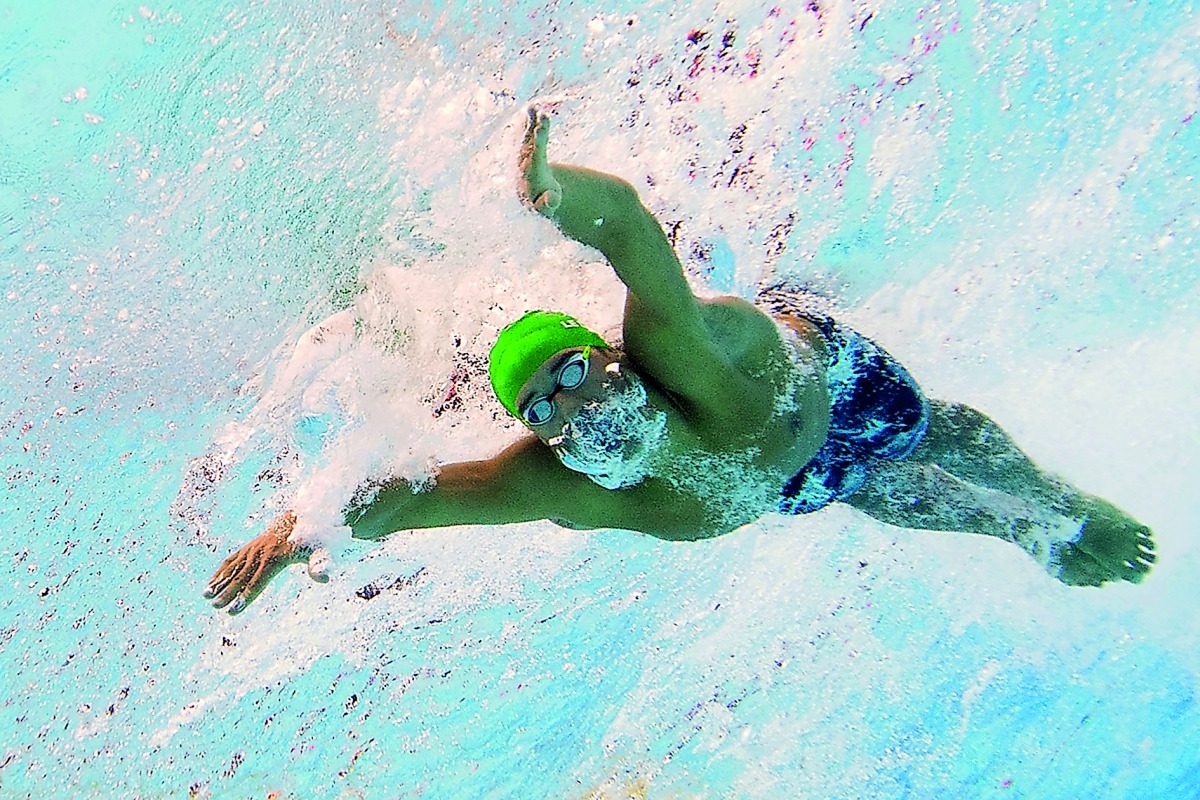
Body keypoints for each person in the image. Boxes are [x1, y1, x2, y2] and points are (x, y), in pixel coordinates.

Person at [205, 108, 1156, 614]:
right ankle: (1020, 534)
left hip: (824, 390)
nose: (569, 405)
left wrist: (547, 191)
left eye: (570, 370)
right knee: (881, 494)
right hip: (789, 480)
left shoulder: (676, 351)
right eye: (543, 405)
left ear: (607, 357)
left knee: (934, 435)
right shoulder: (565, 485)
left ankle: (1061, 501)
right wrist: (303, 531)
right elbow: (417, 501)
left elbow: (623, 228)